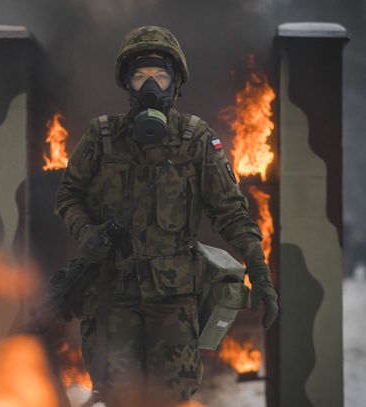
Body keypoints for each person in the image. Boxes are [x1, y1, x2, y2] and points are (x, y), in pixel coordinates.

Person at [54, 26, 278, 407]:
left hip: (173, 303)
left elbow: (231, 212)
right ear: (127, 82)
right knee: (119, 396)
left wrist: (260, 273)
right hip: (112, 296)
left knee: (168, 397)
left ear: (175, 83)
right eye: (140, 76)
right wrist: (86, 233)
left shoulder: (195, 139)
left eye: (159, 76)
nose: (150, 86)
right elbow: (68, 196)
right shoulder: (102, 137)